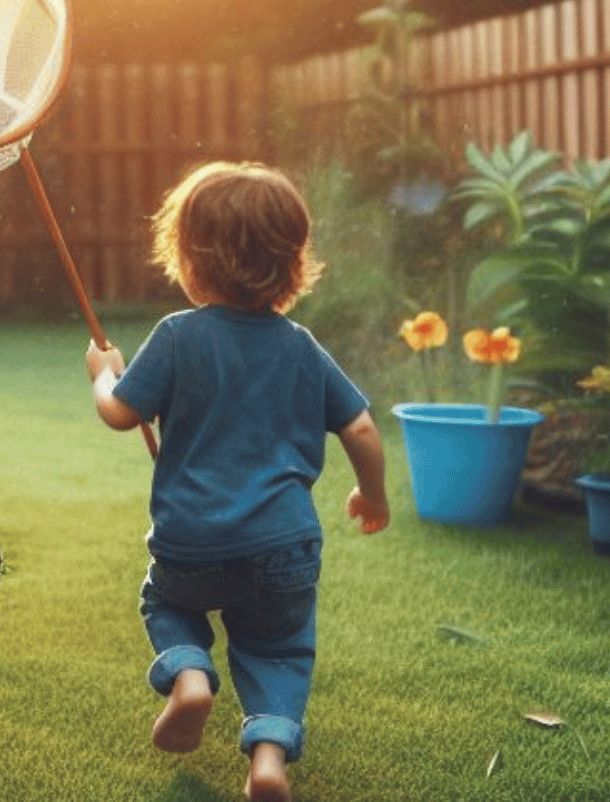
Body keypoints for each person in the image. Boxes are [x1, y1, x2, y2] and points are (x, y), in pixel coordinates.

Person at [84, 161, 389, 802]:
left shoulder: (177, 334)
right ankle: (269, 759)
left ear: (191, 259)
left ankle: (190, 676)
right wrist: (374, 494)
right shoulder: (302, 346)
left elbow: (119, 413)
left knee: (168, 604)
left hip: (190, 540)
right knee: (277, 647)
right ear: (291, 264)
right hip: (283, 544)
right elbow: (360, 428)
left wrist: (103, 373)